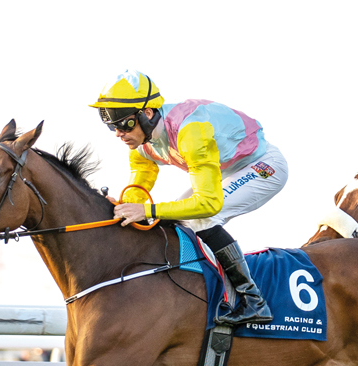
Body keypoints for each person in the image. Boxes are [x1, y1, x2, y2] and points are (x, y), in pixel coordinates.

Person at [90, 69, 288, 325]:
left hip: (263, 166)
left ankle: (254, 300)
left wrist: (148, 211)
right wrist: (125, 206)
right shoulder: (141, 143)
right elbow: (141, 178)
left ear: (147, 113)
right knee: (179, 220)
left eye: (124, 124)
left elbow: (208, 204)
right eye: (112, 126)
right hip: (228, 170)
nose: (118, 133)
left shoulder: (190, 131)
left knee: (200, 218)